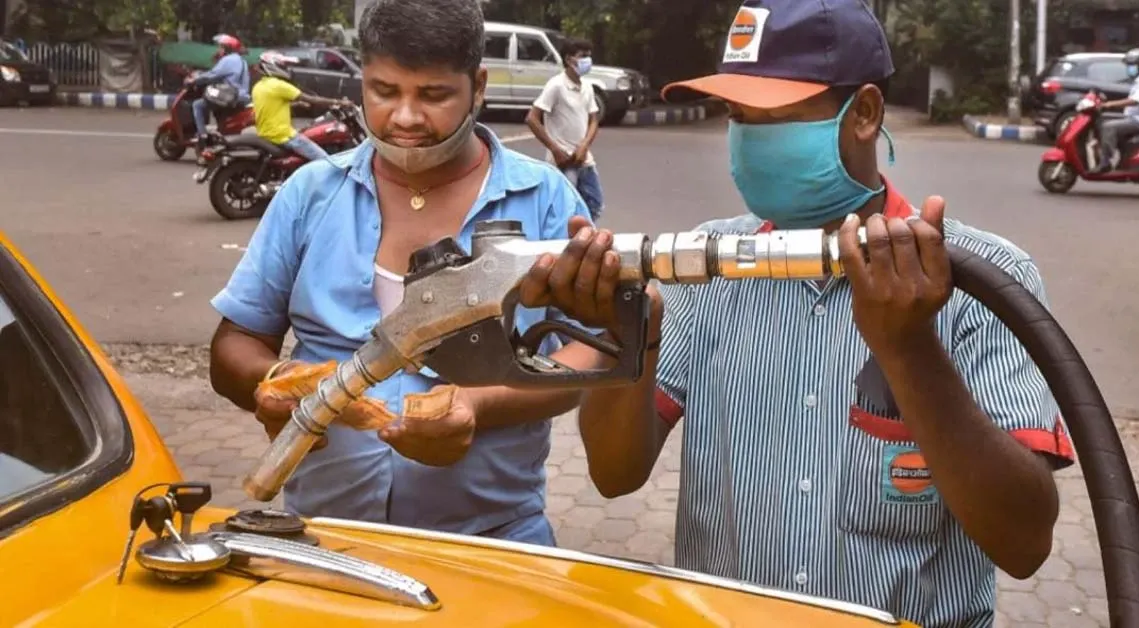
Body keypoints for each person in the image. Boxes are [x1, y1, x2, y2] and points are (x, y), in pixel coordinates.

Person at [482, 1, 1076, 625]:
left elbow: (1025, 544)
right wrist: (626, 337)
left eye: (771, 117)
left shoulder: (977, 281)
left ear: (864, 114)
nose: (747, 139)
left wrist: (908, 352)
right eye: (737, 116)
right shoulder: (703, 268)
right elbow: (613, 474)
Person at [208, 0, 593, 546]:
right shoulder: (310, 195)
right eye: (384, 91)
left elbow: (589, 353)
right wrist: (267, 384)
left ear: (477, 85)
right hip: (322, 537)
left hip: (494, 540)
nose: (406, 117)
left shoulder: (546, 199)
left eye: (433, 95)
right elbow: (235, 342)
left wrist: (478, 408)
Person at [526, 38, 604, 220]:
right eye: (583, 56)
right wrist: (555, 149)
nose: (587, 61)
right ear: (569, 60)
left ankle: (581, 238)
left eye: (589, 56)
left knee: (594, 205)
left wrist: (584, 145)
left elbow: (594, 119)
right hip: (563, 161)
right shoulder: (556, 85)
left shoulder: (587, 87)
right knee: (566, 210)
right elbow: (532, 118)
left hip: (583, 158)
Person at [252, 50, 350, 163]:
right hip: (282, 135)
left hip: (265, 133)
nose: (286, 68)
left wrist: (297, 104)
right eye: (283, 65)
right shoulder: (279, 86)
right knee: (326, 161)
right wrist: (340, 102)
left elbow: (271, 106)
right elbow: (312, 99)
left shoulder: (259, 86)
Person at [1096, 47, 1139, 172]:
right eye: (1129, 65)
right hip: (1135, 118)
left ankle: (1105, 163)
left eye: (1132, 65)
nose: (1129, 68)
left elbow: (1135, 101)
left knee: (1109, 127)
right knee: (1109, 129)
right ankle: (1124, 162)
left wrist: (1110, 104)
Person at [188, 34, 251, 148]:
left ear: (227, 48)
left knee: (197, 105)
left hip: (231, 96)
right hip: (242, 97)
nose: (219, 49)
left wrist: (194, 80)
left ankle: (202, 136)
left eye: (221, 47)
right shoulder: (242, 61)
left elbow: (212, 75)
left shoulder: (228, 60)